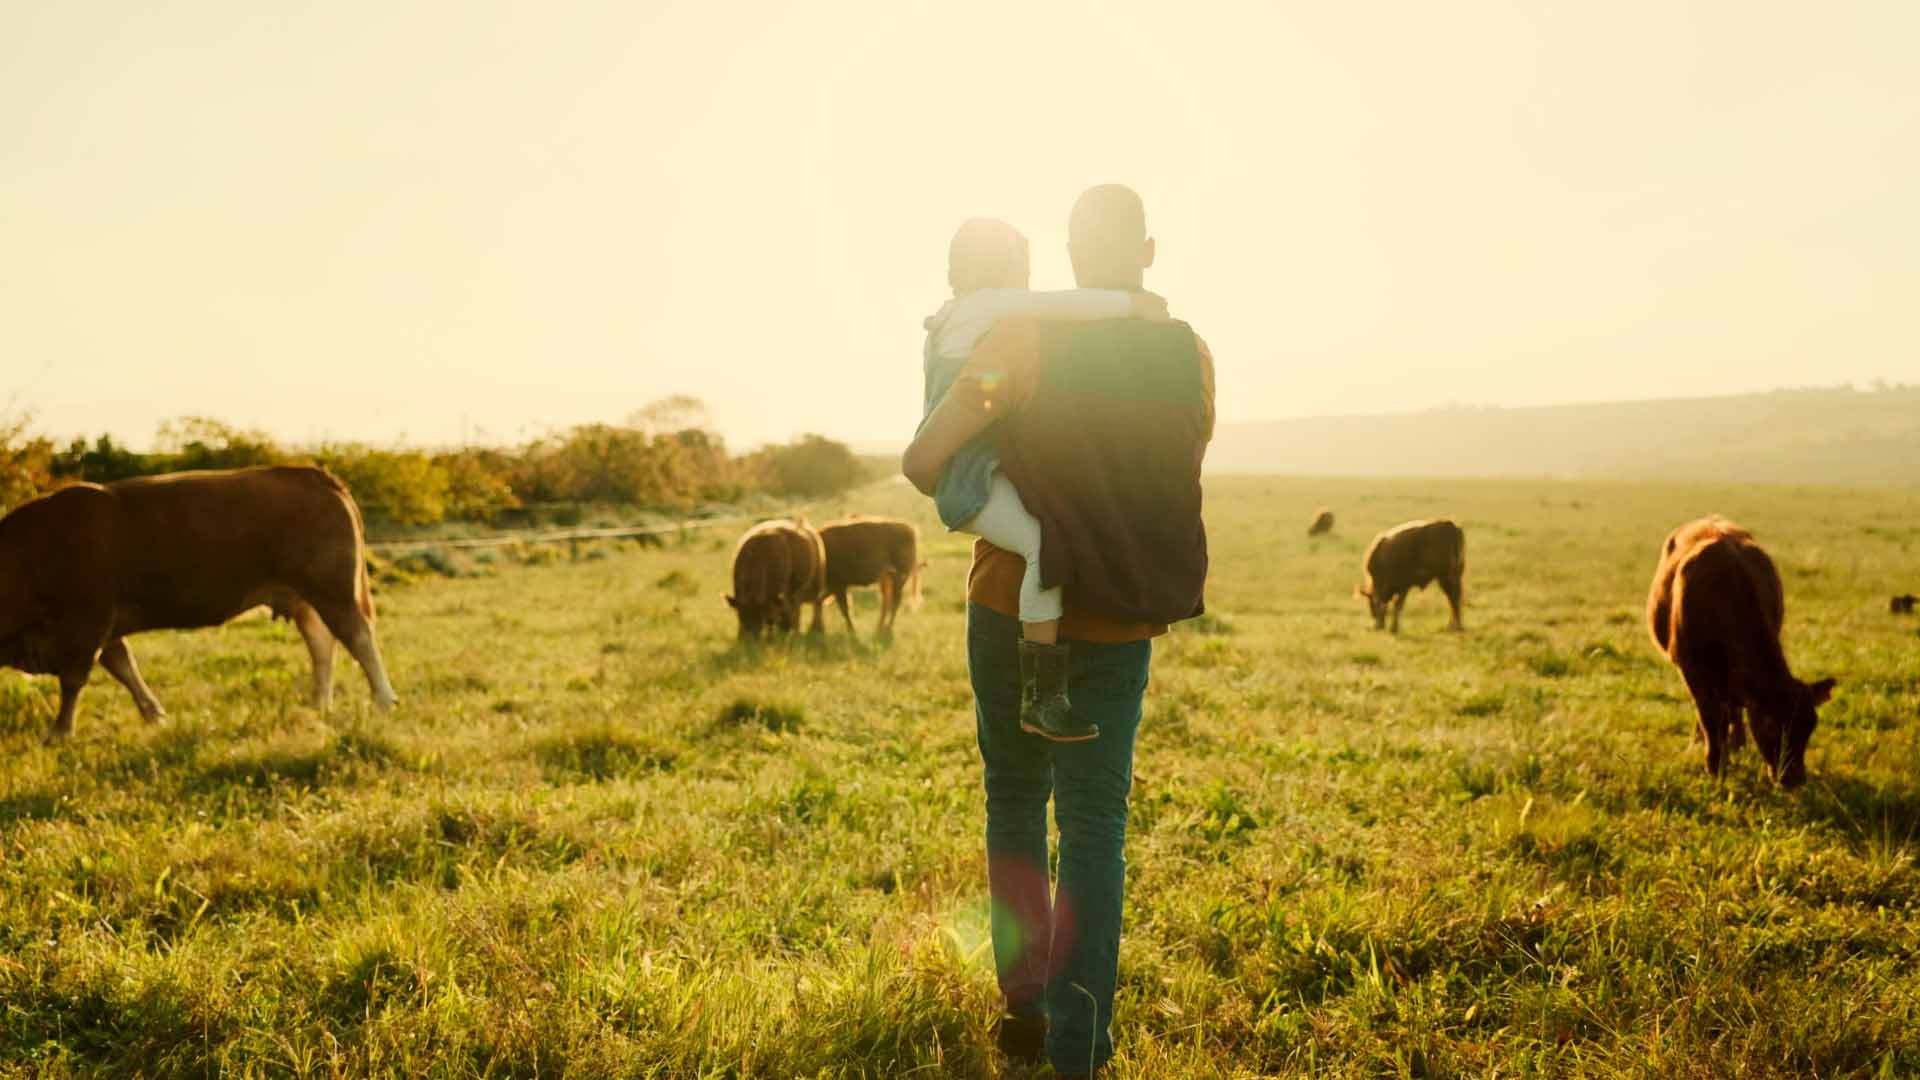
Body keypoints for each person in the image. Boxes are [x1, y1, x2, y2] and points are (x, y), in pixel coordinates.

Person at [903, 184, 1215, 1078]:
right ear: (1145, 253)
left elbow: (928, 460)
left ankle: (1023, 1011)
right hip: (1119, 615)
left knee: (1013, 800)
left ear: (1066, 258)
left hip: (1009, 605)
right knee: (1093, 829)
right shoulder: (1190, 354)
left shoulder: (1021, 337)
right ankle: (1080, 1054)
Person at [919, 217, 1167, 741]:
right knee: (1044, 544)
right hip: (971, 477)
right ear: (1003, 269)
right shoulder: (989, 307)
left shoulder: (954, 315)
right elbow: (1067, 306)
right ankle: (1044, 696)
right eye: (1022, 266)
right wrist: (1132, 307)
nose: (1029, 281)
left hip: (978, 469)